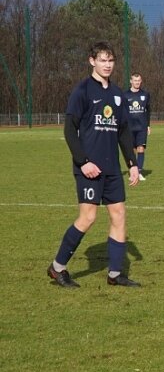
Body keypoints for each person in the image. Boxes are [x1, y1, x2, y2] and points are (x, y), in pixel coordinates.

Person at [46, 41, 141, 288]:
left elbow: (122, 131)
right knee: (88, 218)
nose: (107, 65)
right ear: (92, 61)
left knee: (119, 214)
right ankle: (58, 268)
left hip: (111, 170)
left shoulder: (118, 94)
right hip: (88, 168)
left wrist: (132, 162)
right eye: (102, 60)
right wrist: (83, 162)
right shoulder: (82, 91)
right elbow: (69, 130)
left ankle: (115, 274)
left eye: (110, 61)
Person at [124, 72, 151, 181]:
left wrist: (148, 125)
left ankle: (139, 171)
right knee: (131, 150)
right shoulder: (125, 95)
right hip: (129, 127)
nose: (137, 83)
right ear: (131, 81)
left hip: (142, 127)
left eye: (139, 81)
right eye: (135, 81)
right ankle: (132, 171)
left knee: (141, 148)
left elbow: (148, 110)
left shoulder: (145, 94)